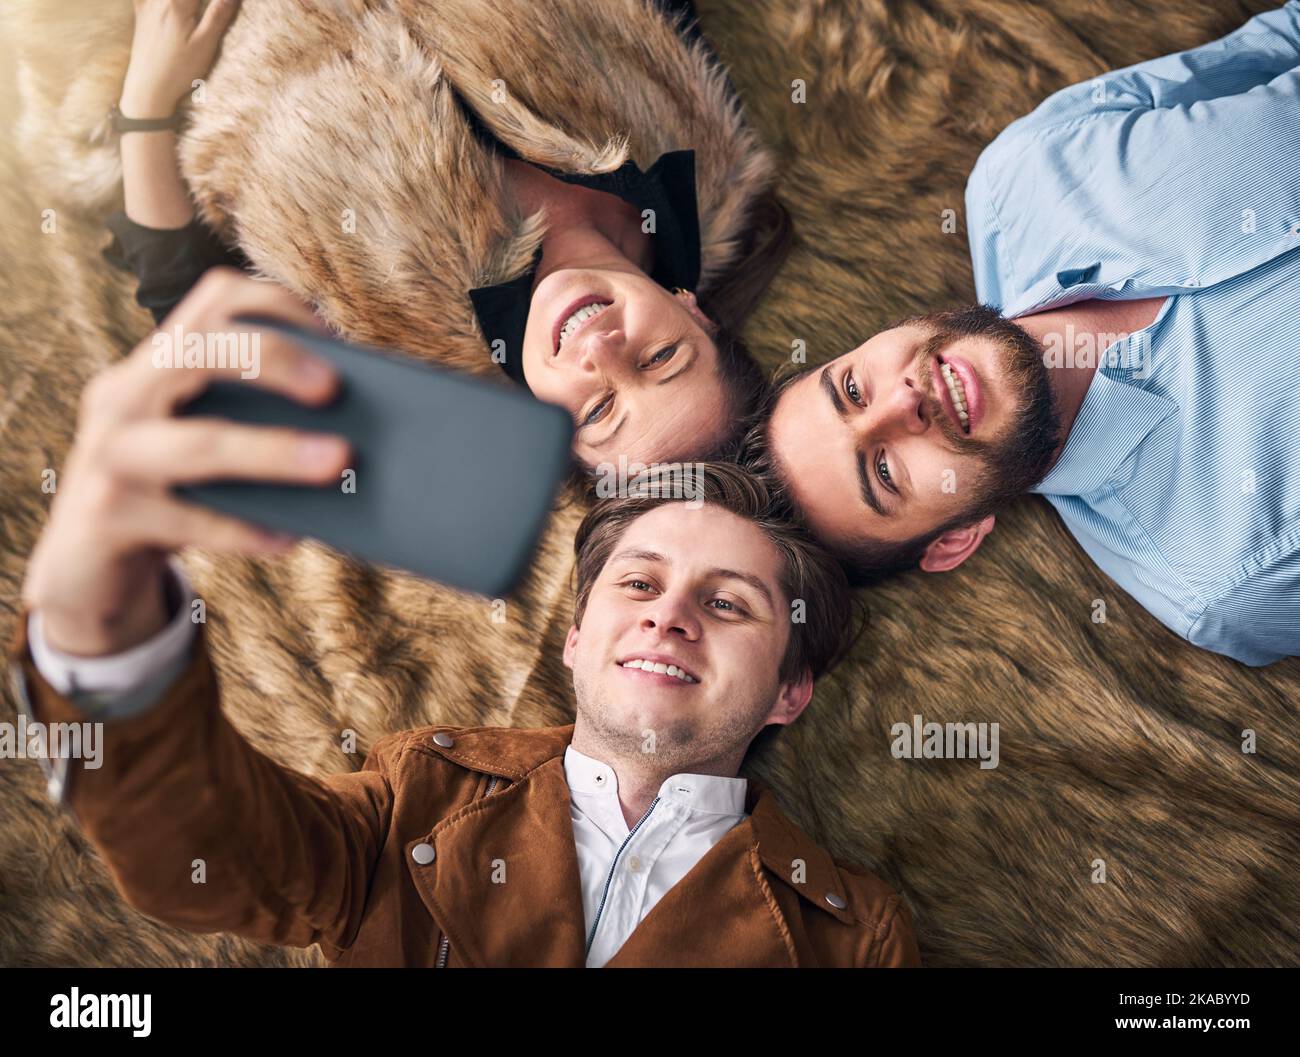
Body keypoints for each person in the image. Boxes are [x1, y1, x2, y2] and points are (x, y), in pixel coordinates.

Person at [11, 277, 920, 966]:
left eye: (727, 603)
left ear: (790, 690)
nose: (670, 616)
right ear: (573, 639)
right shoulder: (418, 796)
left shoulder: (853, 934)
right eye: (638, 584)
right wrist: (98, 602)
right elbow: (204, 856)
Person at [748, 1, 1300, 665]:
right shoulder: (1222, 578)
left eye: (854, 389)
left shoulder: (1023, 174)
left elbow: (1277, 43)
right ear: (957, 537)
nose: (902, 404)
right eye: (885, 470)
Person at [106, 0, 790, 468]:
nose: (603, 351)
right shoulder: (686, 134)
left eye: (600, 411)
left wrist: (145, 102)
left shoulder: (404, 351)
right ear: (694, 310)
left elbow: (188, 322)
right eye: (661, 358)